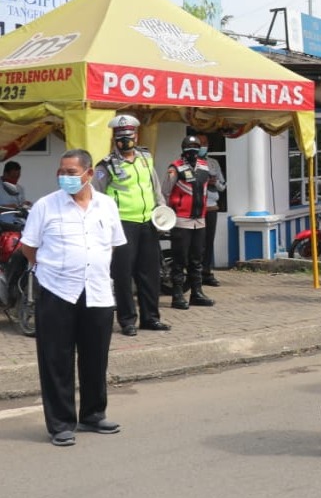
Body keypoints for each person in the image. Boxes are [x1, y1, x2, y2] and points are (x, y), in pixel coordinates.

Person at [22, 149, 126, 446]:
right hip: (57, 291)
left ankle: (93, 414)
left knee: (96, 357)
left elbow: (113, 245)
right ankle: (61, 424)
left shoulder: (106, 206)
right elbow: (29, 247)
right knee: (56, 359)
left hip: (97, 292)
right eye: (61, 171)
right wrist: (45, 269)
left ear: (89, 173)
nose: (64, 177)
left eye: (71, 172)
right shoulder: (46, 206)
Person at [92, 114, 170, 335]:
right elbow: (96, 195)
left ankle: (151, 318)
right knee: (123, 275)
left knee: (150, 273)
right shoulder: (105, 166)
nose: (125, 141)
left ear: (136, 135)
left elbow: (154, 187)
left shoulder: (145, 158)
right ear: (114, 139)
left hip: (148, 223)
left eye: (129, 136)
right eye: (120, 137)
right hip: (121, 225)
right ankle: (127, 321)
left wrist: (161, 211)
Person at [161, 135, 215, 310]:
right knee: (179, 259)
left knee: (196, 259)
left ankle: (196, 293)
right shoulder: (175, 168)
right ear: (183, 148)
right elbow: (166, 192)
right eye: (189, 147)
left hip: (199, 219)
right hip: (181, 219)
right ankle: (177, 296)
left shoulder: (205, 167)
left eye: (196, 147)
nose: (193, 150)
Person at [196, 134, 226, 287]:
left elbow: (222, 186)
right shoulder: (188, 163)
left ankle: (207, 272)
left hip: (211, 206)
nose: (202, 146)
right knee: (197, 242)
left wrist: (214, 183)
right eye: (199, 143)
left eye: (205, 143)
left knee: (208, 241)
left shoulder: (213, 163)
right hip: (195, 208)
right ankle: (195, 274)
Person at [0, 160, 29, 226]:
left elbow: (21, 205)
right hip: (2, 225)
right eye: (13, 177)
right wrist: (6, 208)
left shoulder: (20, 188)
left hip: (17, 224)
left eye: (18, 177)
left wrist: (24, 205)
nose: (15, 180)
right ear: (5, 174)